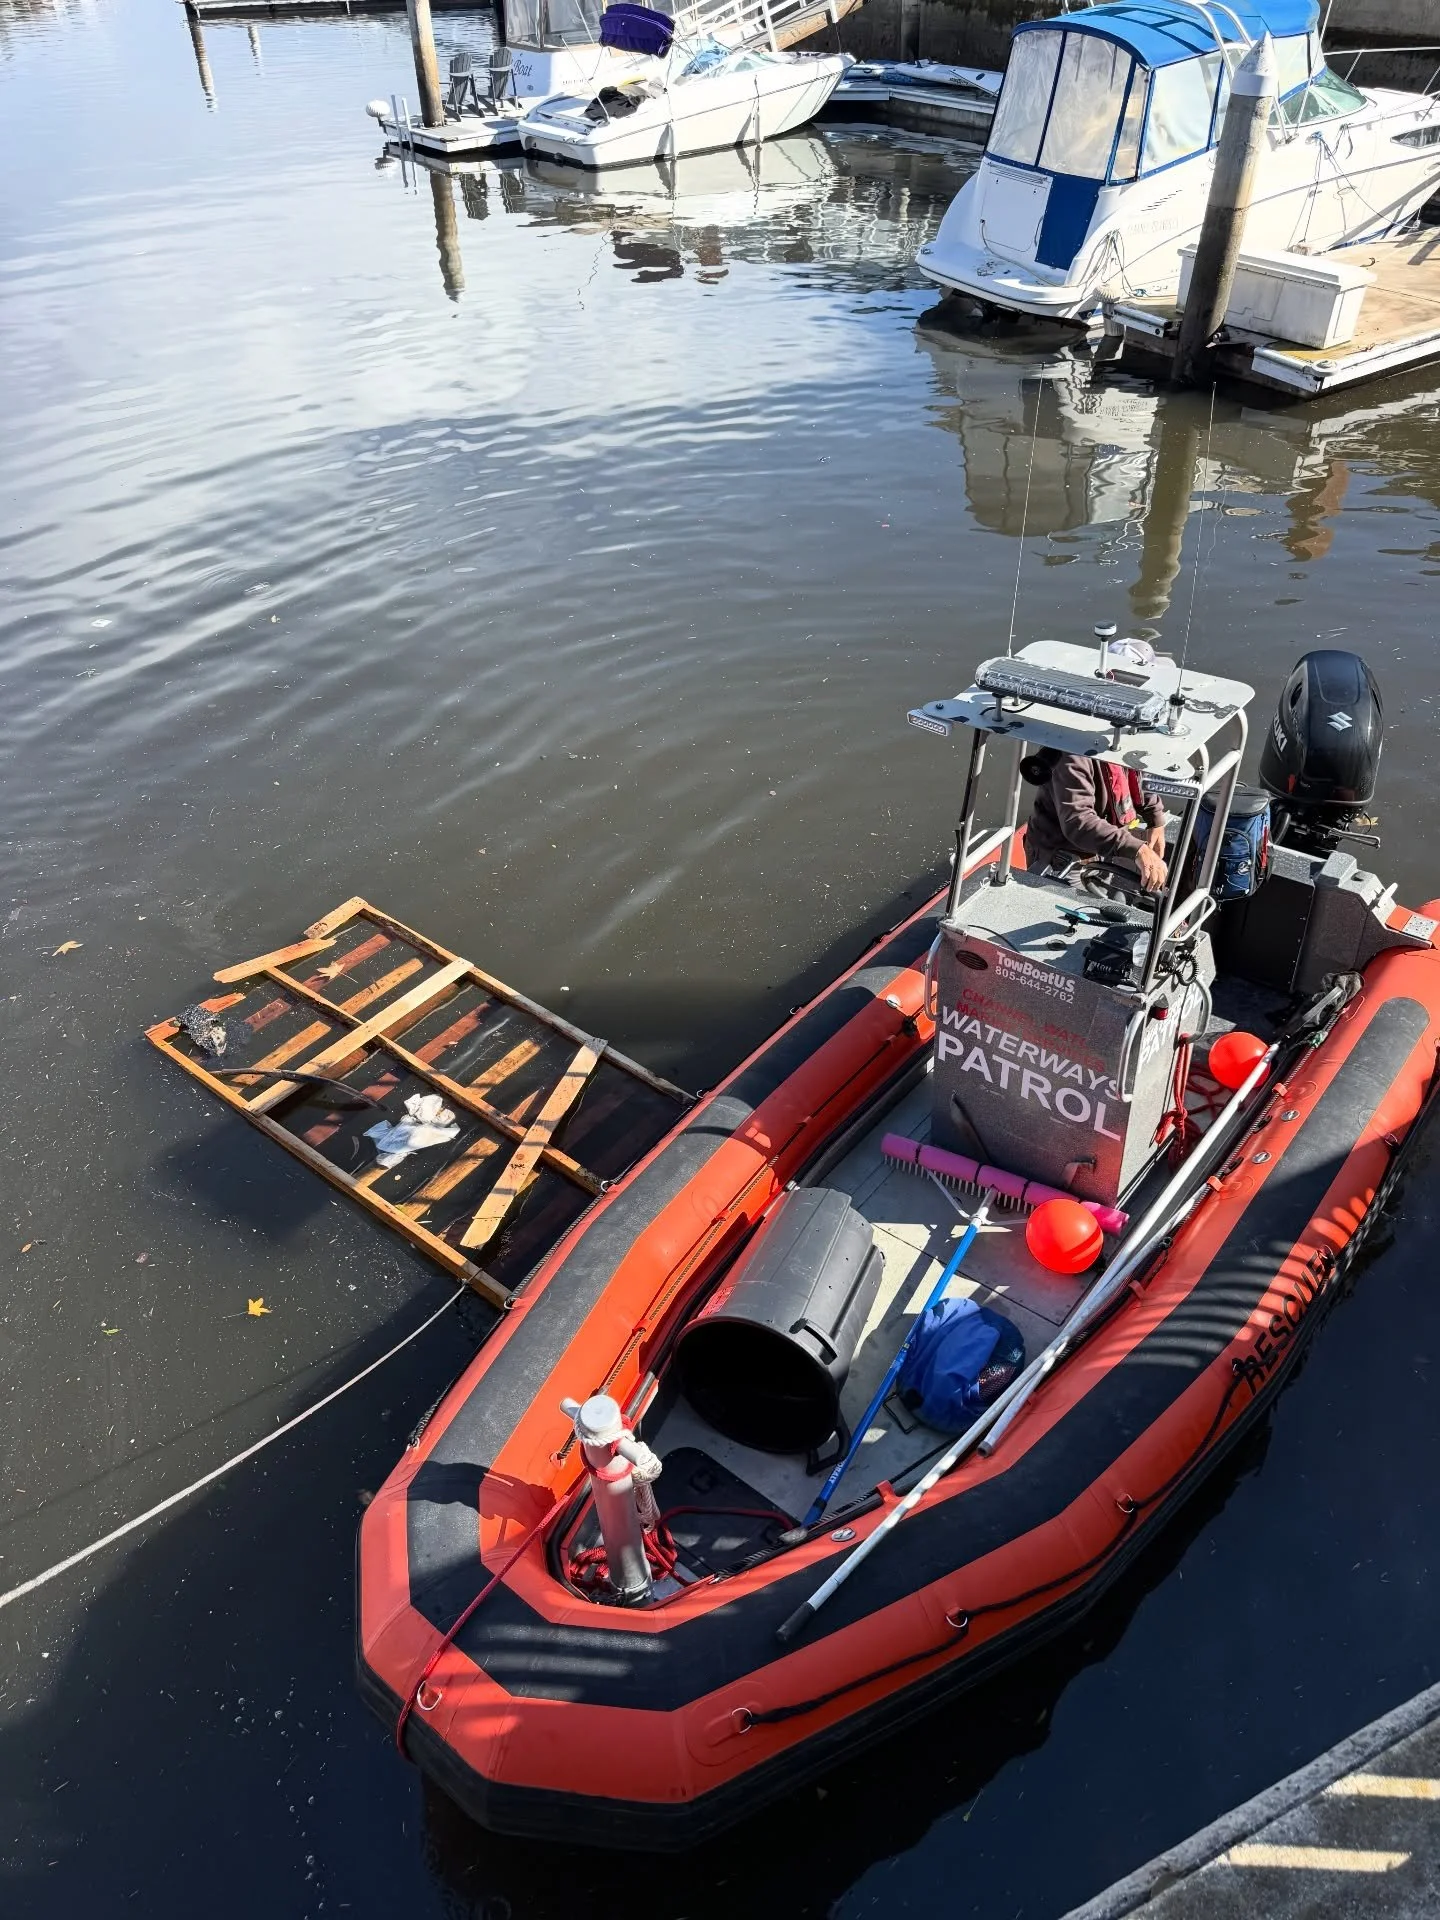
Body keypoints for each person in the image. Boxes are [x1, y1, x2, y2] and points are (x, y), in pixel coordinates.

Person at [1025, 752, 1168, 893]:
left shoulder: (1123, 744)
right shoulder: (1070, 757)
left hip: (1103, 849)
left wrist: (1155, 818)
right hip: (1063, 857)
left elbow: (1137, 774)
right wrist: (1138, 849)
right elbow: (1078, 821)